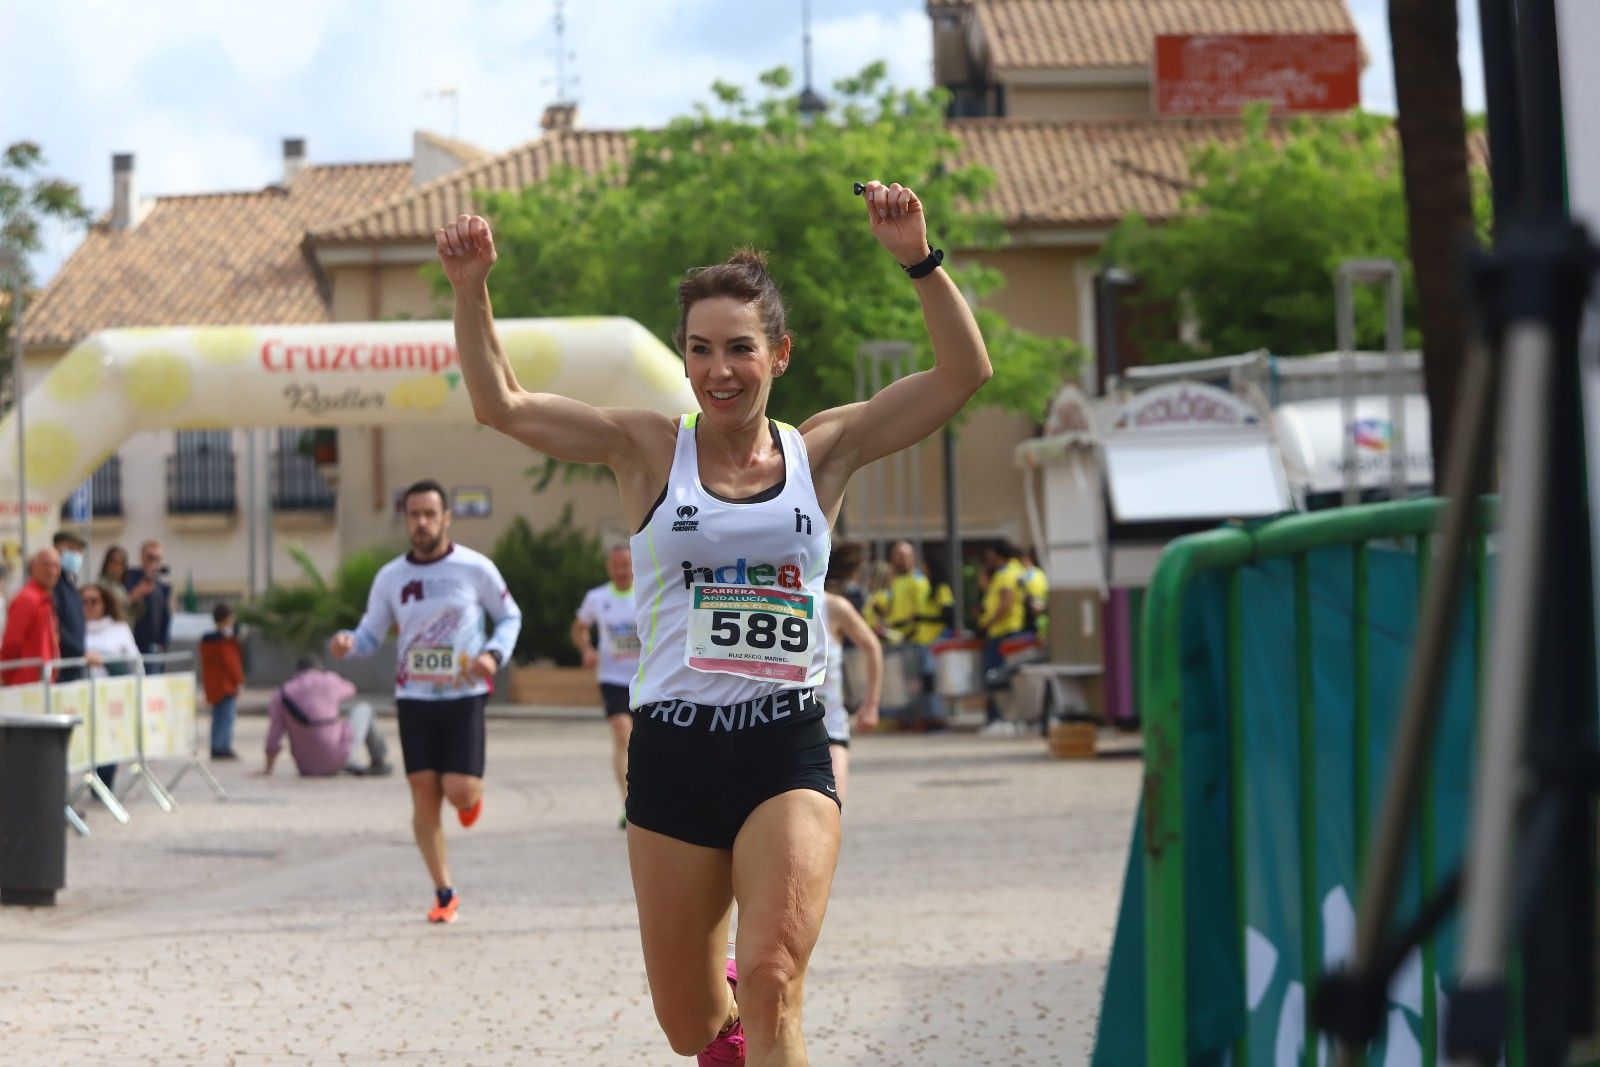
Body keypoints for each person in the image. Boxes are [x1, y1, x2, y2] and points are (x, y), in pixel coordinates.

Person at [438, 176, 990, 1064]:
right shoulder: (648, 448)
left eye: (740, 348)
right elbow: (502, 404)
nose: (718, 370)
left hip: (786, 742)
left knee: (772, 978)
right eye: (700, 350)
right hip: (675, 752)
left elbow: (964, 374)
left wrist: (918, 261)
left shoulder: (825, 450)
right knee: (693, 1023)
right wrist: (473, 292)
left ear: (780, 353)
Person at [329, 478, 522, 925]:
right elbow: (370, 633)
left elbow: (510, 615)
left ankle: (471, 798)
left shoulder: (475, 568)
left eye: (429, 514)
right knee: (422, 792)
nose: (420, 523)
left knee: (458, 790)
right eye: (413, 515)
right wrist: (347, 643)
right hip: (413, 696)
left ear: (445, 518)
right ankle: (443, 891)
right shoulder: (391, 577)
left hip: (464, 695)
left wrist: (493, 654)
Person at [571, 544, 640, 829]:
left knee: (644, 740)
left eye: (626, 565)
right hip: (612, 678)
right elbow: (578, 628)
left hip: (644, 677)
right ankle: (629, 804)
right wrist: (586, 650)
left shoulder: (647, 591)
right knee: (622, 733)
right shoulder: (597, 598)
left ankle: (650, 796)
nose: (622, 571)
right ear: (609, 568)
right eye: (616, 566)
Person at [263, 656, 392, 779]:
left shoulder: (281, 694)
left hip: (307, 767)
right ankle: (378, 761)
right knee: (364, 709)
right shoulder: (329, 680)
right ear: (319, 668)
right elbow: (351, 689)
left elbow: (274, 736)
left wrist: (268, 769)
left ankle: (344, 763)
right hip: (339, 755)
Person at [819, 590, 880, 804]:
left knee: (831, 805)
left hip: (830, 726)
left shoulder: (833, 606)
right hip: (781, 728)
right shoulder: (766, 600)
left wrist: (871, 704)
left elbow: (872, 647)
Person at [976, 542, 1028, 736]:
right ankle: (1010, 718)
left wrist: (988, 622)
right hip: (1009, 631)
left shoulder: (1005, 573)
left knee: (995, 677)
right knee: (1007, 677)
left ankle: (999, 718)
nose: (988, 561)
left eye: (990, 556)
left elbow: (1005, 601)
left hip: (1003, 632)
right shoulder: (1015, 570)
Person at [1, 548, 61, 685]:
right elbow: (12, 643)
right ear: (33, 567)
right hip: (26, 685)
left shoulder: (43, 599)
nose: (52, 571)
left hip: (40, 681)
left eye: (56, 566)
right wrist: (6, 676)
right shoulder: (27, 599)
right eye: (46, 565)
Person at [199, 602, 245, 760]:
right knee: (227, 717)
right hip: (226, 685)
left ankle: (215, 745)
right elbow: (232, 663)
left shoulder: (207, 641)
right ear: (226, 619)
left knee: (217, 717)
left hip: (213, 684)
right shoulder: (226, 641)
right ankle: (223, 746)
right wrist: (239, 681)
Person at [125, 540, 173, 667]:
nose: (154, 562)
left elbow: (165, 616)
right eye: (150, 557)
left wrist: (164, 643)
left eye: (157, 558)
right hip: (134, 644)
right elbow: (123, 604)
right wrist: (138, 592)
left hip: (156, 647)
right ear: (142, 558)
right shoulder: (130, 578)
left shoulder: (162, 586)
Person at [52, 530, 90, 683]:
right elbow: (55, 626)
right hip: (61, 667)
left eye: (79, 551)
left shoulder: (70, 585)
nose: (76, 555)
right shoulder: (54, 585)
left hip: (75, 666)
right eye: (71, 549)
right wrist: (81, 652)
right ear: (56, 550)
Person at [82, 584, 139, 676]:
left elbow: (134, 660)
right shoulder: (73, 630)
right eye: (84, 601)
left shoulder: (120, 627)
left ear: (104, 604)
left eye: (94, 601)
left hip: (116, 686)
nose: (89, 605)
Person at [97, 544, 132, 623]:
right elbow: (113, 606)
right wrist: (133, 597)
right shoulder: (102, 585)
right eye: (115, 562)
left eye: (122, 563)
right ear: (107, 564)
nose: (118, 567)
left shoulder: (120, 585)